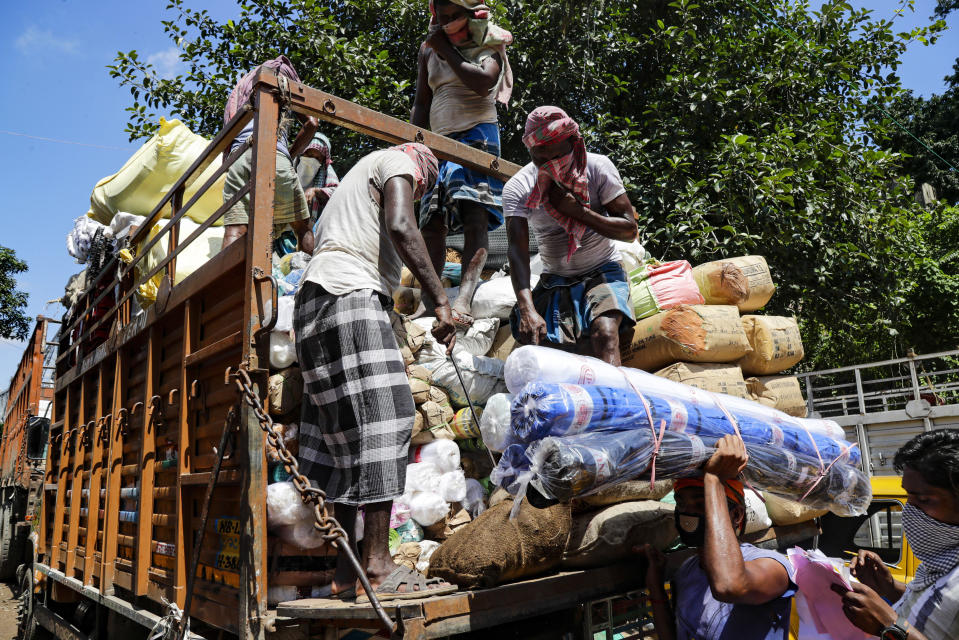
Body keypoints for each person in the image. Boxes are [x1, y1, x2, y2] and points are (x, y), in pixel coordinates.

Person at [294, 142, 458, 603]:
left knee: (344, 438)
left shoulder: (347, 189)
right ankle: (379, 562)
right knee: (391, 417)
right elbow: (402, 224)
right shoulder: (401, 162)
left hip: (313, 302)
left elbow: (313, 243)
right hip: (349, 294)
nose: (418, 188)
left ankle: (346, 570)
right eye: (422, 185)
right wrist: (440, 298)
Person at [503, 106, 638, 365]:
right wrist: (527, 308)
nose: (551, 165)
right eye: (541, 157)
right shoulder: (519, 187)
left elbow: (630, 231)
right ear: (530, 150)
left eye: (557, 155)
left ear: (572, 143)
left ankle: (613, 404)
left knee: (604, 335)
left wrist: (580, 213)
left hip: (602, 270)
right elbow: (516, 251)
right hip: (556, 280)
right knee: (542, 346)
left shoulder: (598, 168)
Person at [410, 0, 514, 325]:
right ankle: (433, 302)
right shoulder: (429, 50)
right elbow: (421, 103)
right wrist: (412, 142)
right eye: (442, 17)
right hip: (437, 143)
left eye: (455, 16)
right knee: (430, 223)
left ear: (470, 16)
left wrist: (448, 50)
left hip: (477, 137)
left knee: (474, 217)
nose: (447, 22)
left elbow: (484, 82)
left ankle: (465, 300)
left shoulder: (488, 42)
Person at [643, 435, 797, 640]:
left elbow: (730, 586)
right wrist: (656, 588)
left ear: (735, 515)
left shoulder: (773, 566)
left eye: (701, 505)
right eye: (681, 504)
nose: (688, 514)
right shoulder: (686, 572)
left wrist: (714, 479)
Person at [833, 429, 959, 640]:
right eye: (908, 498)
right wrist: (890, 588)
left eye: (924, 500)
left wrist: (889, 626)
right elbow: (936, 612)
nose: (910, 510)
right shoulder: (942, 559)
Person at [221, 56, 317, 253]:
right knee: (302, 228)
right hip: (275, 157)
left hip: (240, 158)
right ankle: (310, 281)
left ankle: (226, 284)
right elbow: (312, 123)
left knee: (235, 229)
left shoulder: (243, 99)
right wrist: (288, 154)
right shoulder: (280, 91)